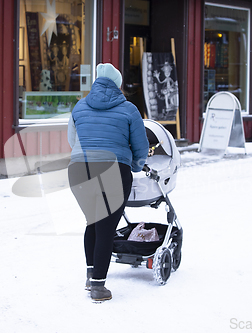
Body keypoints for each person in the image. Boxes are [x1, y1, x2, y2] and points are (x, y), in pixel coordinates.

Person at [67, 63, 149, 302]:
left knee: (92, 222)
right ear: (118, 84)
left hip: (79, 171)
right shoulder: (128, 109)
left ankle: (91, 275)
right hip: (113, 170)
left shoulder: (79, 106)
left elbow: (73, 141)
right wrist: (133, 166)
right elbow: (141, 146)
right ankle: (98, 287)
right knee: (105, 228)